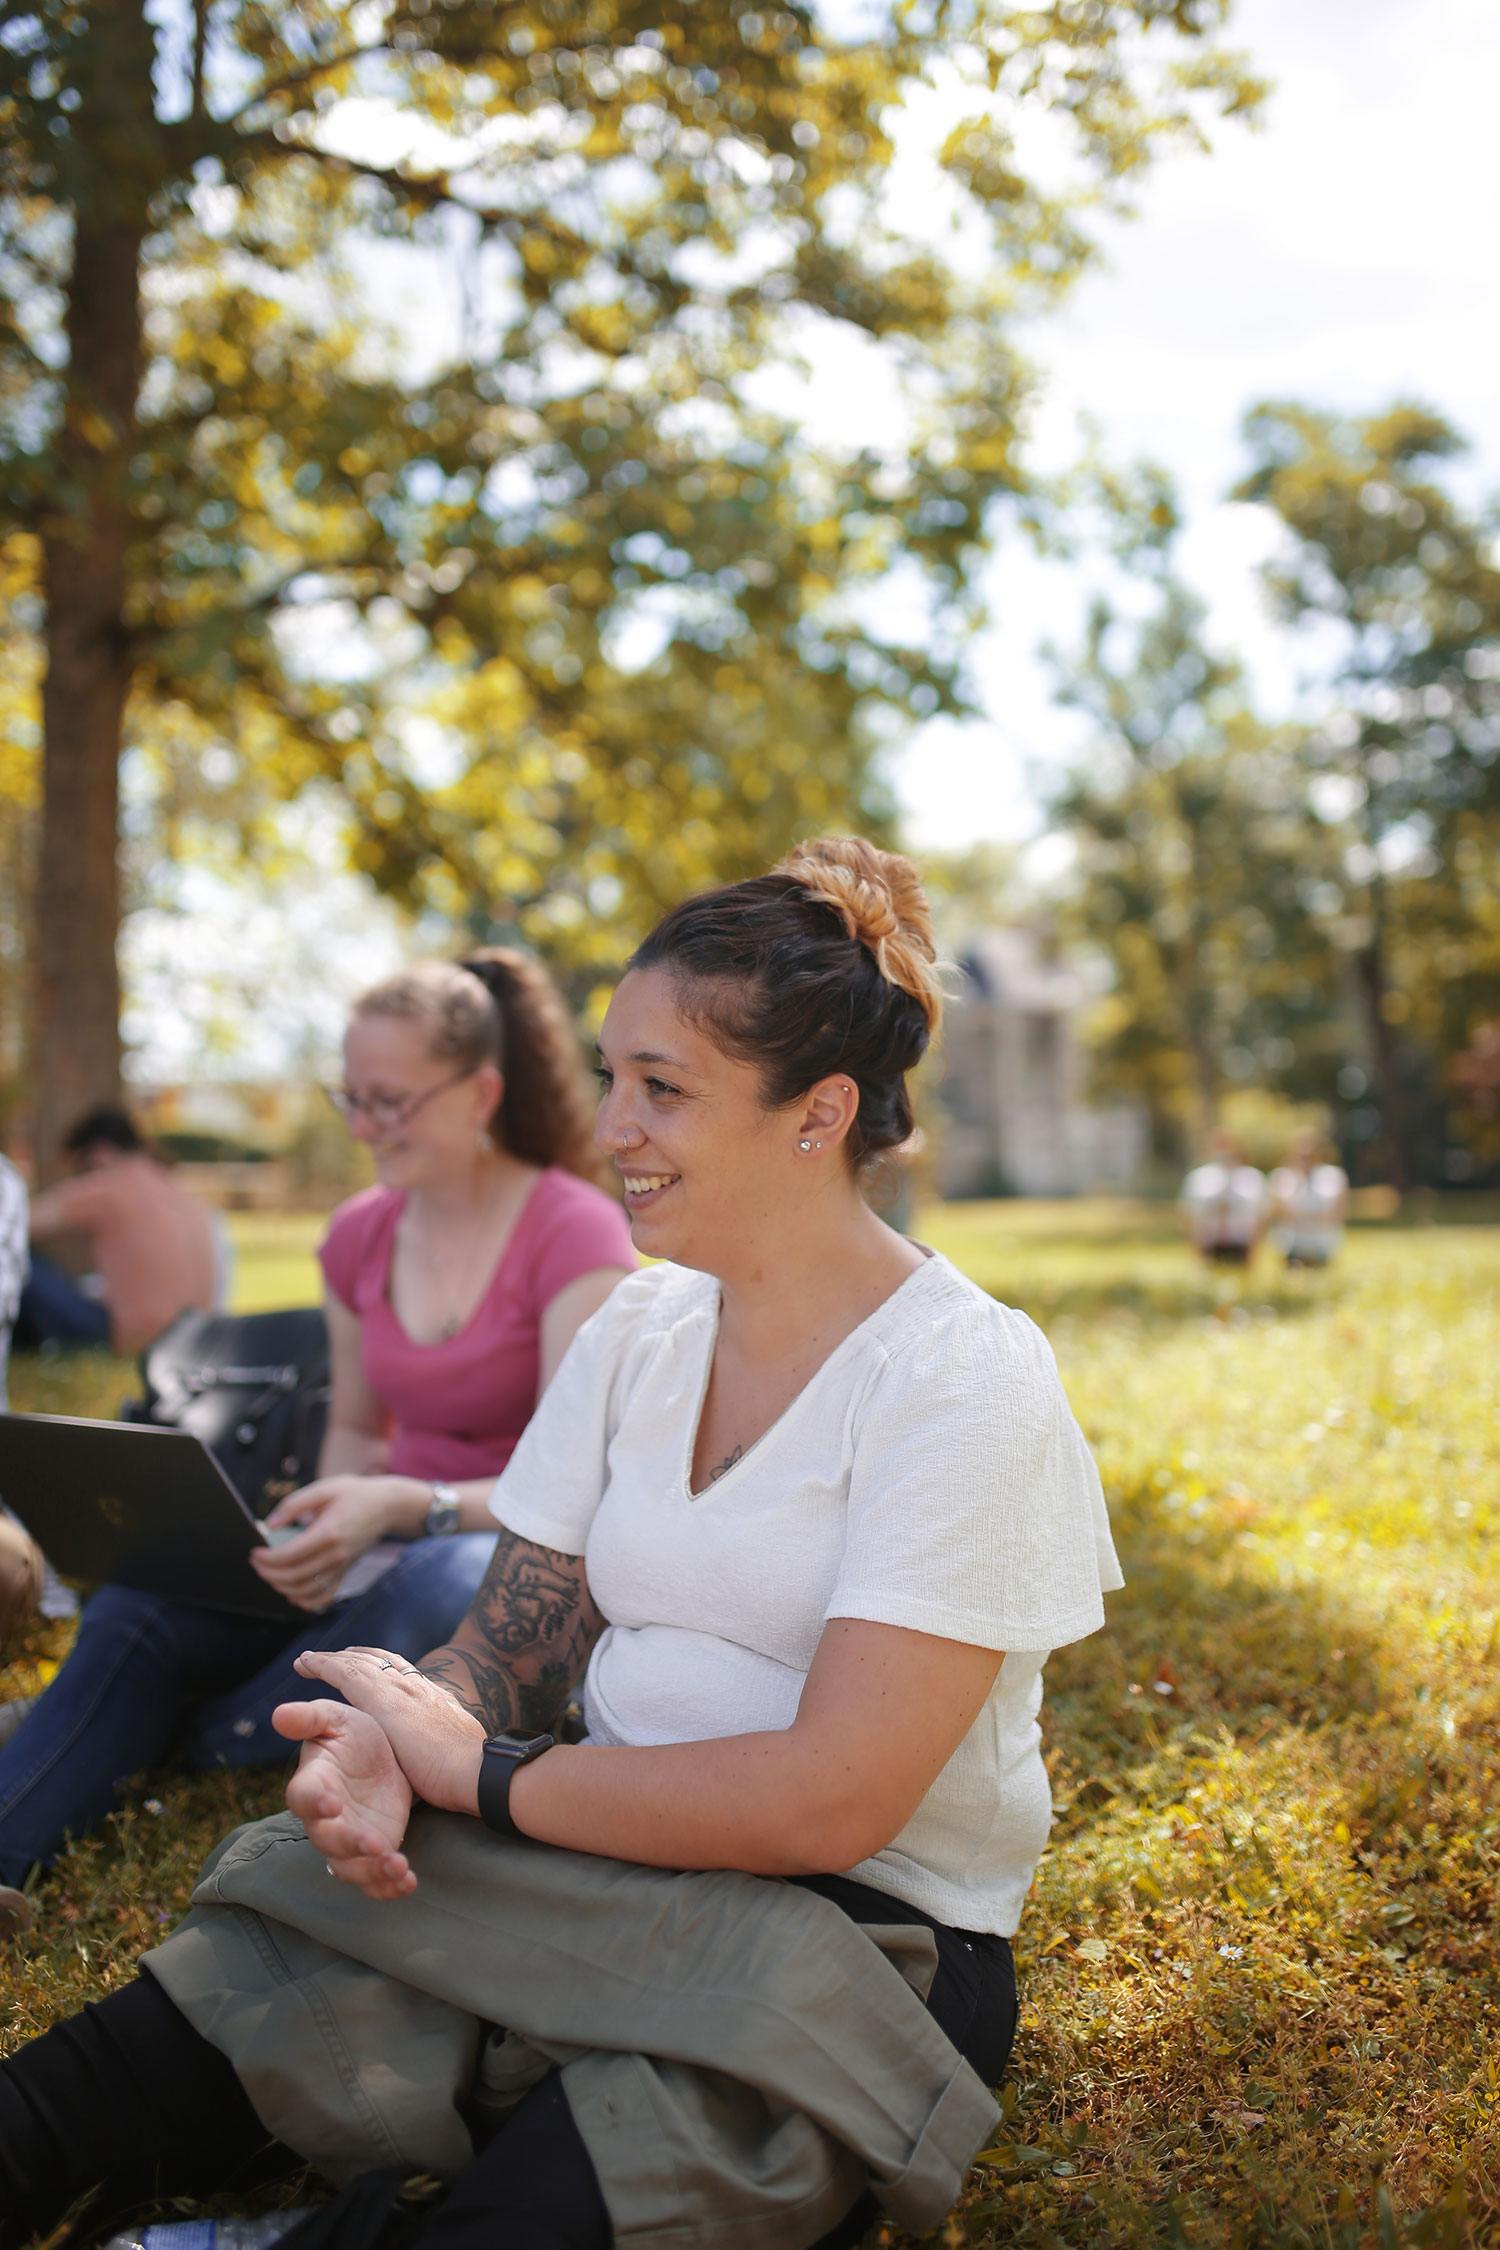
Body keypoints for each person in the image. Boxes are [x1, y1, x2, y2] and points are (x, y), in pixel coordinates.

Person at [0, 842, 1122, 2250]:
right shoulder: (641, 1335)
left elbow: (829, 1800)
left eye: (662, 1089)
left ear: (817, 1115)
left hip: (845, 1934)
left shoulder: (963, 1377)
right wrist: (398, 1740)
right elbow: (510, 1649)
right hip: (579, 1856)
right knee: (117, 2067)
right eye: (609, 1076)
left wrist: (481, 1772)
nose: (610, 1130)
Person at [0, 952, 634, 1940]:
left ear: (480, 1094)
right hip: (383, 1533)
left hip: (505, 1553)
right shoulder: (360, 1236)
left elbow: (574, 1481)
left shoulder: (575, 1232)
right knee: (140, 1599)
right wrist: (327, 1517)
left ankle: (165, 1728)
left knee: (440, 1579)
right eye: (353, 1099)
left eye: (393, 1102)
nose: (366, 1127)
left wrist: (403, 1505)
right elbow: (355, 1427)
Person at [16, 1105, 220, 1354]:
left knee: (19, 1257)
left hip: (131, 1334)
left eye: (81, 1169)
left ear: (100, 1152)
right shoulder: (177, 1188)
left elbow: (15, 1222)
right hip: (195, 1334)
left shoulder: (110, 1186)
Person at [1179, 1128, 1270, 1266]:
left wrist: (1253, 1256)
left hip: (1242, 1243)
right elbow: (1189, 1217)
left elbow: (1261, 1217)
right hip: (1209, 1244)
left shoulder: (1252, 1178)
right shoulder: (1198, 1178)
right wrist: (1198, 1256)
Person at [1269, 1129, 1349, 1268]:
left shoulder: (1334, 1176)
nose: (1306, 1158)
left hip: (1323, 1245)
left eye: (1310, 1154)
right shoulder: (1281, 1178)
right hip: (1291, 1246)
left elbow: (1336, 1213)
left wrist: (1302, 1216)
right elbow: (1280, 1213)